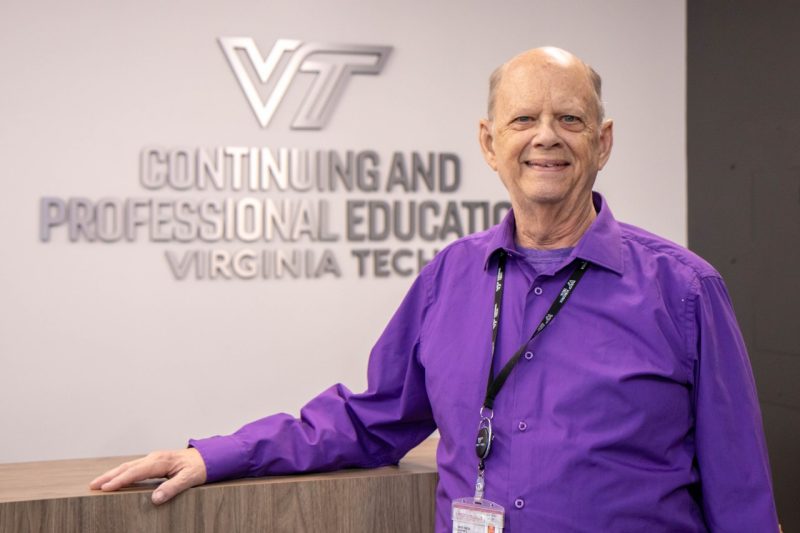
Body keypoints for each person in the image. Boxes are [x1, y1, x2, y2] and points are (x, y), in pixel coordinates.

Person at [91, 47, 780, 532]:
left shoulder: (685, 291)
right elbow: (369, 418)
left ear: (603, 142)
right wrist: (217, 454)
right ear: (488, 142)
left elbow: (741, 497)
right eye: (523, 120)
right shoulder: (450, 276)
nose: (546, 137)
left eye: (570, 119)